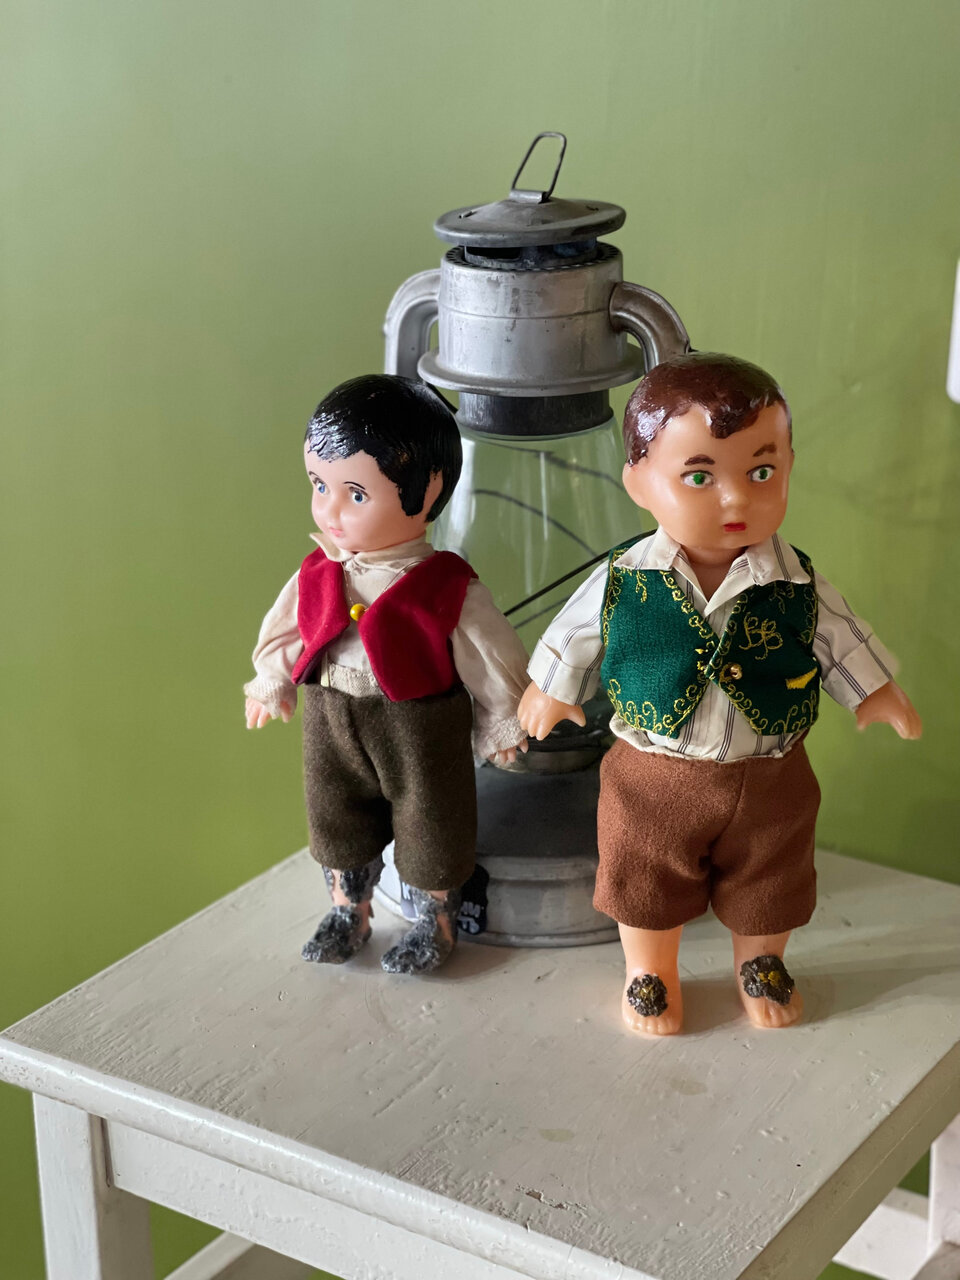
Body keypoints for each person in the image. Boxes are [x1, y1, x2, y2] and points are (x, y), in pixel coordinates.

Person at [517, 353, 921, 1034]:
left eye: (761, 473)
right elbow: (576, 632)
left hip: (771, 772)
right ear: (639, 483)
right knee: (643, 877)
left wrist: (874, 691)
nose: (735, 499)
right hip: (653, 771)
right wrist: (550, 687)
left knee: (771, 877)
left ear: (788, 467)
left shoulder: (796, 581)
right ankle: (649, 971)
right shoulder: (625, 577)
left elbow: (840, 636)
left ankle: (761, 962)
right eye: (699, 477)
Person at [245, 374, 529, 976]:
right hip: (330, 715)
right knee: (335, 820)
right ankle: (348, 910)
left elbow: (488, 651)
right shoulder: (319, 570)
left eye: (356, 494)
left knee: (433, 827)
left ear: (428, 490)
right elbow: (285, 628)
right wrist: (272, 682)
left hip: (418, 726)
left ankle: (435, 921)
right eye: (319, 485)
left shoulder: (445, 584)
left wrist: (502, 720)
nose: (331, 510)